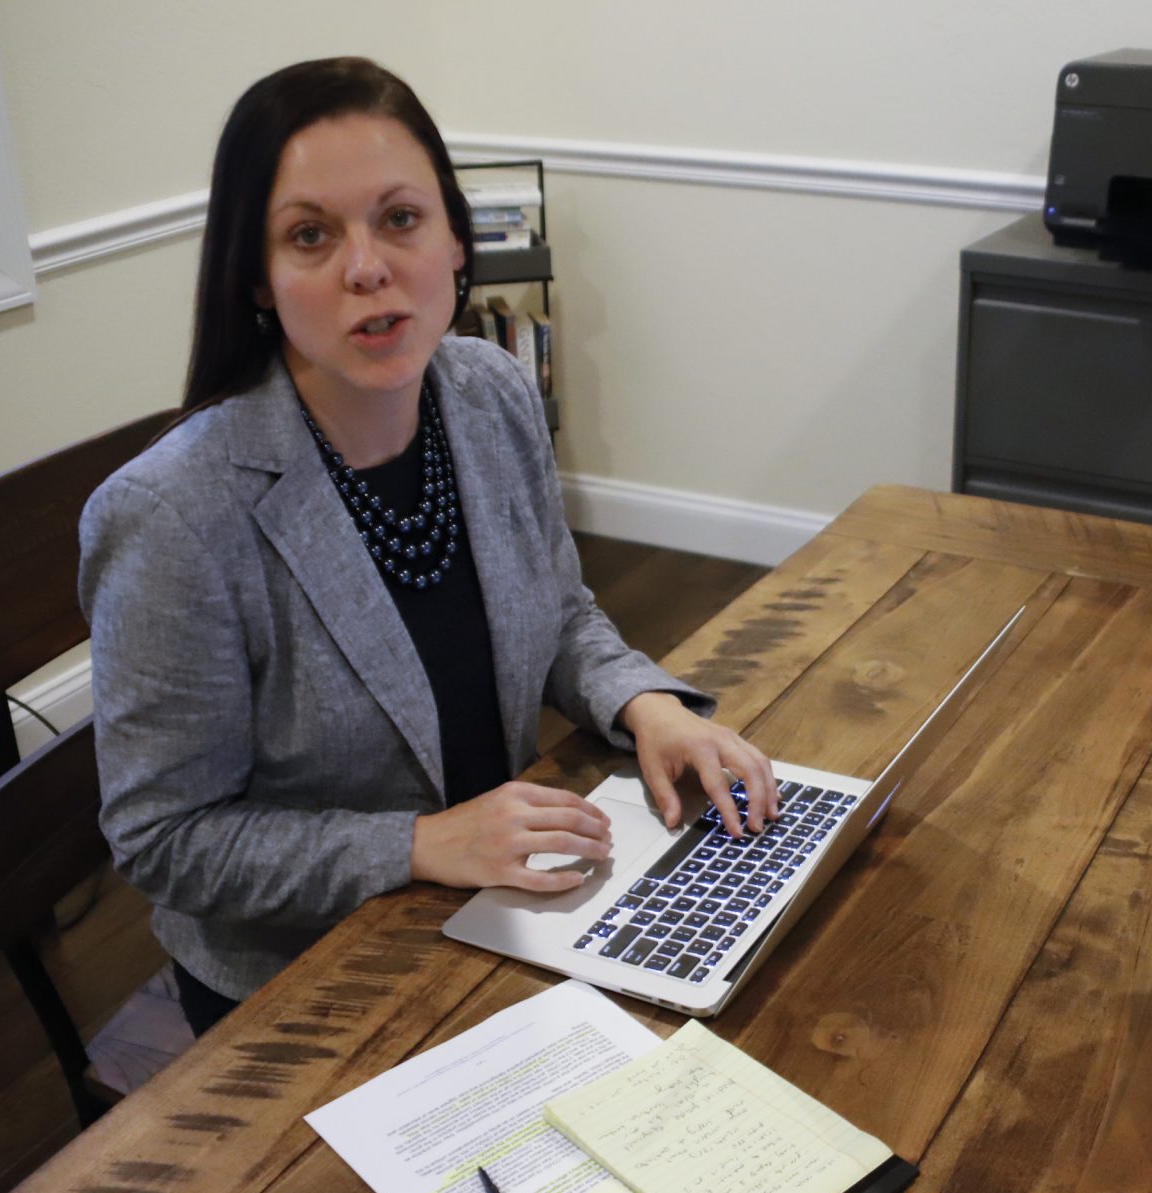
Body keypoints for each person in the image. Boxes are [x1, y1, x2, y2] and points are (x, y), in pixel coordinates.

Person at [79, 57, 776, 1036]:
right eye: (310, 235)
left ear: (457, 240)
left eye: (400, 218)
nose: (366, 266)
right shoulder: (173, 515)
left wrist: (649, 705)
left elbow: (560, 608)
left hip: (506, 898)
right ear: (258, 280)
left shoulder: (487, 389)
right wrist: (416, 843)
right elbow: (168, 841)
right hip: (306, 980)